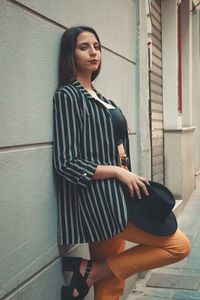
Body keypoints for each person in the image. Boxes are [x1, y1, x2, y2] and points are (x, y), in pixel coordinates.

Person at [53, 26, 190, 300]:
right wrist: (117, 171)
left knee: (112, 283)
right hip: (100, 199)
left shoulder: (103, 99)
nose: (94, 52)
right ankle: (96, 270)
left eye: (97, 46)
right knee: (179, 245)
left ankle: (93, 271)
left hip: (121, 192)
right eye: (84, 47)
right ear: (70, 54)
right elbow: (66, 163)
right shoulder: (68, 96)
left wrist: (125, 173)